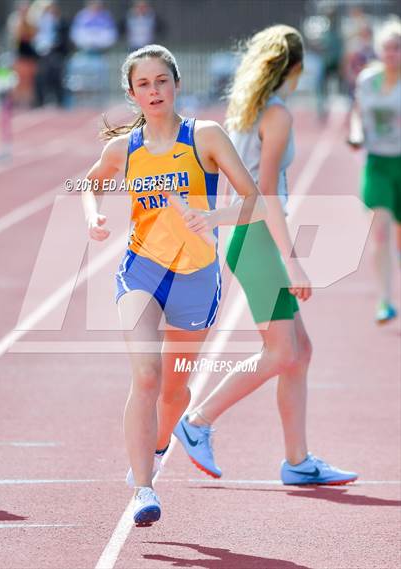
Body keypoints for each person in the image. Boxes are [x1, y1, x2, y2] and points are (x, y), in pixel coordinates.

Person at [81, 44, 265, 526]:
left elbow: (255, 202)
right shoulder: (123, 149)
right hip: (142, 270)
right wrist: (93, 214)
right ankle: (143, 488)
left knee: (174, 391)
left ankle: (162, 442)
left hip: (196, 276)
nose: (154, 90)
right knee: (145, 375)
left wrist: (212, 216)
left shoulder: (204, 136)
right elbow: (91, 181)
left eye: (161, 80)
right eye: (143, 84)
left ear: (177, 84)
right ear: (131, 93)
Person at [173, 25, 358, 486]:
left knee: (300, 352)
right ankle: (197, 421)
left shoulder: (246, 108)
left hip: (248, 235)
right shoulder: (274, 115)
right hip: (256, 237)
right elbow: (266, 194)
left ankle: (297, 461)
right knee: (280, 352)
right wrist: (292, 259)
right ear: (293, 69)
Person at [348, 20, 401, 324]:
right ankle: (385, 300)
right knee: (379, 232)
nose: (392, 54)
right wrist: (356, 135)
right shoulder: (367, 80)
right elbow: (358, 115)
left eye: (398, 48)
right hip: (378, 164)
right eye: (388, 48)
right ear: (379, 51)